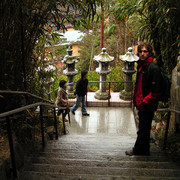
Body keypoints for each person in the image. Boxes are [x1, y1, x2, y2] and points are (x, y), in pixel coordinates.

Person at [125, 42, 162, 156]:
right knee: (144, 128)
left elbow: (156, 89)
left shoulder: (153, 68)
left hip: (147, 104)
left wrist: (146, 101)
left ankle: (137, 150)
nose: (142, 54)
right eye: (140, 51)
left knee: (143, 128)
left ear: (149, 53)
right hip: (141, 103)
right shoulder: (142, 67)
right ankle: (145, 150)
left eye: (145, 51)